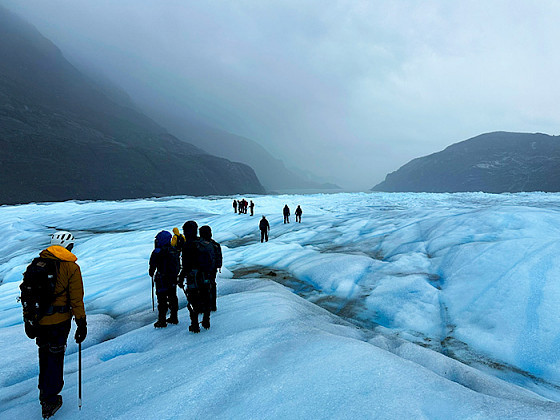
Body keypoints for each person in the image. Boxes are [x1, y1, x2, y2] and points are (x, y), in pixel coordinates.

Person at [22, 231, 86, 419]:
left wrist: (28, 320)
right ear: (68, 246)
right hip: (60, 322)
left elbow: (27, 295)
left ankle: (45, 393)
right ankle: (50, 399)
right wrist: (81, 323)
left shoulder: (36, 264)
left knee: (44, 354)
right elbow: (76, 299)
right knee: (56, 357)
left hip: (40, 321)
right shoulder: (71, 267)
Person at [179, 221, 213, 332]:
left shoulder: (187, 245)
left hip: (192, 277)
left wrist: (180, 278)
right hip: (205, 276)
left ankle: (195, 324)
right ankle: (206, 320)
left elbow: (185, 265)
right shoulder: (203, 242)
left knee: (193, 299)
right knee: (206, 297)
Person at [149, 230, 180, 328]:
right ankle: (174, 317)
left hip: (162, 279)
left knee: (162, 300)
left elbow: (152, 266)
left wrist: (152, 272)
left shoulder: (157, 252)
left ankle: (162, 321)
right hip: (172, 278)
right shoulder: (174, 250)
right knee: (173, 297)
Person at [199, 225, 222, 312]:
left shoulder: (200, 245)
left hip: (203, 270)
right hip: (213, 270)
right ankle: (212, 305)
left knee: (202, 288)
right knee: (212, 285)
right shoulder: (215, 244)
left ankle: (204, 306)